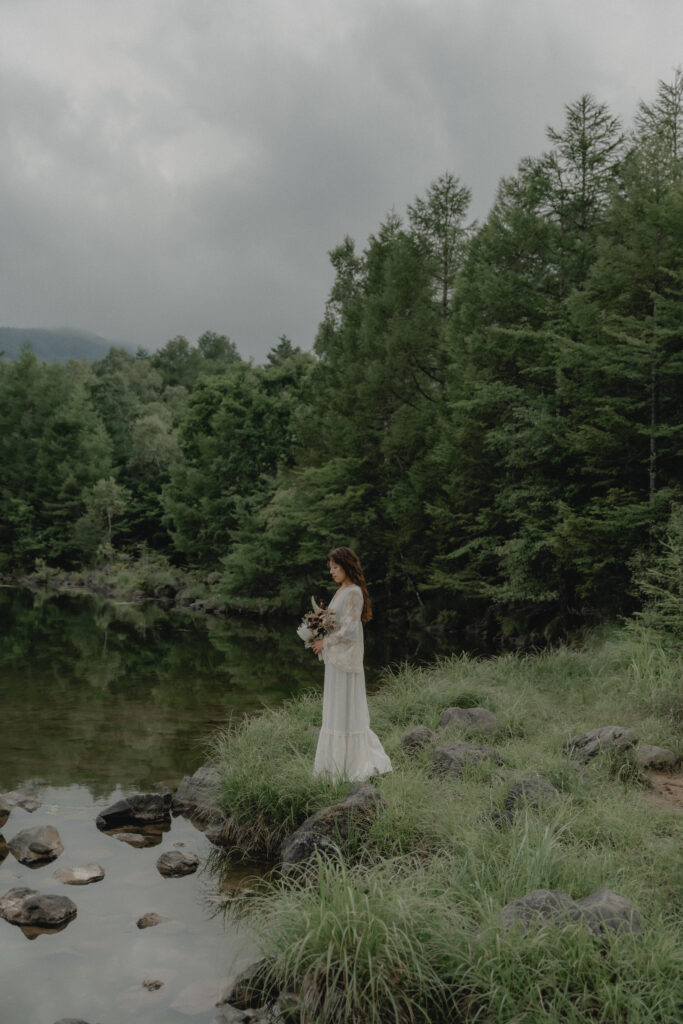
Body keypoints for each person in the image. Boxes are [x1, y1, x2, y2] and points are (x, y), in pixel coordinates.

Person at [311, 546, 392, 782]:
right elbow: (336, 622)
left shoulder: (354, 591)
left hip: (345, 659)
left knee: (345, 707)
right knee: (335, 707)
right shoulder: (341, 590)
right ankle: (334, 764)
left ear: (347, 566)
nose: (332, 572)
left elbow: (351, 628)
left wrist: (325, 642)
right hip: (336, 659)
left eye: (335, 567)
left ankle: (350, 763)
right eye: (331, 568)